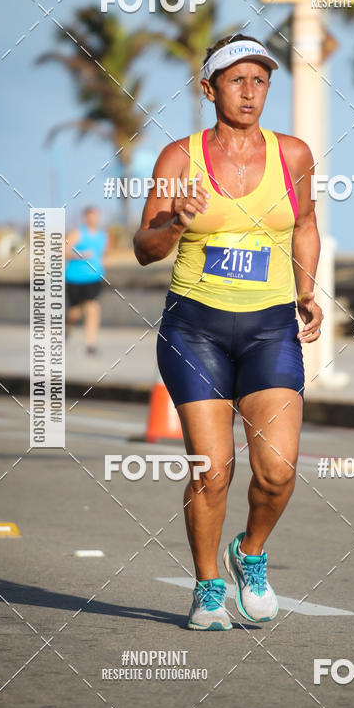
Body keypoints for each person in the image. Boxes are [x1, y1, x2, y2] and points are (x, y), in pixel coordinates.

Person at [134, 34, 323, 630]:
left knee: (278, 470)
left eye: (260, 80)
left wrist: (306, 290)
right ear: (209, 88)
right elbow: (144, 248)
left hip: (270, 329)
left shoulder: (293, 154)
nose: (249, 91)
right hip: (195, 330)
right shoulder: (178, 158)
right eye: (236, 79)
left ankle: (251, 552)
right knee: (212, 470)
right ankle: (208, 586)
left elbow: (305, 224)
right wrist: (175, 221)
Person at [65, 206, 107, 355]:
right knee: (75, 312)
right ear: (85, 218)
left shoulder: (103, 235)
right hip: (75, 278)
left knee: (92, 308)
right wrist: (80, 255)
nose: (93, 219)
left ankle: (90, 344)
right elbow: (61, 251)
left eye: (95, 216)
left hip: (94, 277)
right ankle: (67, 329)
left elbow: (104, 254)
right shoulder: (77, 233)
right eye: (90, 216)